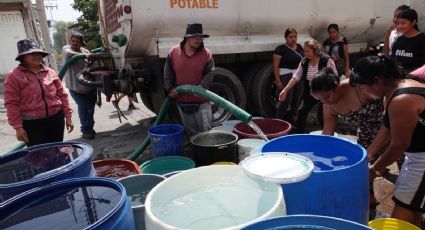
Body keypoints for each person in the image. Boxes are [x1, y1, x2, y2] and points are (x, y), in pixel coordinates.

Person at [350, 55, 425, 227]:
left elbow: (399, 144)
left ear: (377, 81)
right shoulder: (392, 91)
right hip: (415, 157)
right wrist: (367, 156)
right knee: (411, 203)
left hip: (422, 159)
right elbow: (387, 130)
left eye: (363, 87)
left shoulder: (401, 100)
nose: (364, 93)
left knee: (403, 210)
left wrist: (375, 169)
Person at [4, 38, 73, 147]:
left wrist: (68, 117)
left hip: (56, 120)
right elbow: (11, 104)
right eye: (32, 53)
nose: (37, 56)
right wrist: (18, 127)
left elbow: (62, 96)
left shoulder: (50, 72)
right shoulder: (14, 76)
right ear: (22, 57)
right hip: (32, 124)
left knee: (56, 151)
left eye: (39, 53)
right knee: (39, 157)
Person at [310, 68, 383, 149]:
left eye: (327, 97)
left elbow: (388, 101)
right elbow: (327, 135)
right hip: (365, 133)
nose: (325, 101)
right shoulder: (328, 108)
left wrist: (373, 150)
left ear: (336, 86)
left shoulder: (358, 87)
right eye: (320, 99)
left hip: (390, 123)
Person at [163, 23, 214, 136]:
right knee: (192, 134)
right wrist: (169, 88)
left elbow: (210, 72)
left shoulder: (206, 54)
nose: (198, 39)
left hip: (202, 103)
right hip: (183, 102)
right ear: (187, 37)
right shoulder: (173, 52)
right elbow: (168, 72)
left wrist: (202, 87)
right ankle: (196, 153)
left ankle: (208, 153)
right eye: (195, 36)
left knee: (206, 133)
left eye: (200, 37)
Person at [279, 39, 337, 133]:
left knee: (322, 115)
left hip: (325, 92)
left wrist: (333, 93)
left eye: (307, 51)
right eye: (304, 51)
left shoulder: (327, 60)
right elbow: (296, 77)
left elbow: (335, 77)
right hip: (311, 92)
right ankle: (300, 134)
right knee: (302, 111)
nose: (305, 53)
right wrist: (285, 90)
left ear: (315, 50)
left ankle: (328, 135)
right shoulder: (304, 62)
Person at [62, 32, 97, 139]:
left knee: (91, 108)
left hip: (89, 86)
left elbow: (92, 63)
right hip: (75, 87)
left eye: (78, 42)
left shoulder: (85, 51)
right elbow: (69, 54)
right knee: (83, 107)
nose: (75, 43)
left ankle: (89, 127)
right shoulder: (67, 48)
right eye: (73, 41)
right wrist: (85, 56)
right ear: (70, 42)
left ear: (82, 43)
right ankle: (85, 130)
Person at [273, 28, 304, 122]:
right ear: (286, 38)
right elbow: (275, 67)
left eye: (295, 36)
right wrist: (278, 80)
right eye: (290, 37)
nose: (293, 39)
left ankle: (293, 120)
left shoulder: (299, 47)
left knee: (297, 99)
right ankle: (278, 121)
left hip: (298, 76)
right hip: (286, 75)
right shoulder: (280, 49)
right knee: (286, 100)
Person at [391, 8, 425, 73]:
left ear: (413, 22)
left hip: (416, 79)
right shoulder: (399, 40)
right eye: (398, 23)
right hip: (400, 78)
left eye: (403, 23)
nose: (400, 26)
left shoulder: (422, 40)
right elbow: (393, 61)